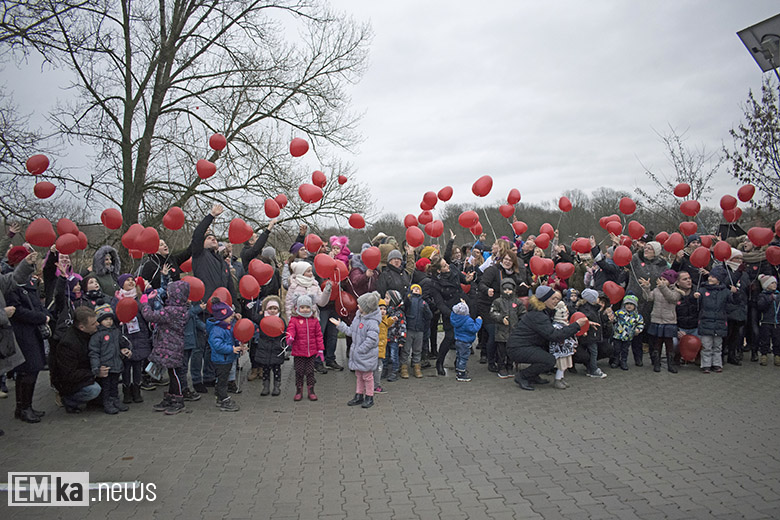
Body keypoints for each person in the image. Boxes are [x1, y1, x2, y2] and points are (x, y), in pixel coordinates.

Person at [507, 286, 587, 391]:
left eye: (557, 299)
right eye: (553, 299)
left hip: (527, 345)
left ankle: (533, 376)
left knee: (546, 356)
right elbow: (554, 335)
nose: (556, 301)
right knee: (549, 360)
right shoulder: (538, 315)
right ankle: (522, 376)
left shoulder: (543, 312)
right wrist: (576, 325)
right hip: (517, 348)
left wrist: (585, 323)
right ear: (545, 300)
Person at [7, 253, 51, 424]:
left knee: (31, 370)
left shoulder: (30, 281)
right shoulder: (12, 284)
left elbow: (37, 304)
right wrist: (40, 318)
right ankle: (23, 408)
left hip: (33, 330)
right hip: (23, 332)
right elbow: (16, 310)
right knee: (28, 370)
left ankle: (25, 406)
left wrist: (44, 314)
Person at [140, 280, 191, 414]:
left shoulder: (171, 311)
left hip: (170, 347)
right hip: (172, 345)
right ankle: (170, 396)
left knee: (174, 374)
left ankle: (178, 400)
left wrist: (145, 303)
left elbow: (149, 316)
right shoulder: (182, 308)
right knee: (171, 372)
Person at [331, 291, 381, 409]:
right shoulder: (358, 317)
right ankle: (359, 395)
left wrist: (361, 349)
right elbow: (351, 331)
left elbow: (372, 340)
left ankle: (369, 396)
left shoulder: (372, 323)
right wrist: (340, 325)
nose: (358, 306)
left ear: (367, 308)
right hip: (358, 354)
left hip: (366, 355)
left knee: (368, 377)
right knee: (359, 375)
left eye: (360, 305)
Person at [50, 306, 102, 413]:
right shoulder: (68, 344)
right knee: (93, 390)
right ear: (82, 327)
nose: (97, 325)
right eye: (93, 324)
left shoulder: (92, 333)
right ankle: (68, 400)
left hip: (86, 372)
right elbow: (69, 374)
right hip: (70, 382)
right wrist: (95, 373)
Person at [88, 304, 132, 414]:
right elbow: (94, 352)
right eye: (106, 319)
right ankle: (106, 402)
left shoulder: (116, 332)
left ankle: (115, 400)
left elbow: (123, 343)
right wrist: (96, 367)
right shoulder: (97, 335)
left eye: (110, 319)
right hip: (105, 366)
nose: (109, 322)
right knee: (106, 386)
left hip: (116, 364)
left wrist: (126, 349)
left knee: (115, 385)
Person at [695, 266, 737, 374]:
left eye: (713, 277)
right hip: (705, 321)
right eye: (710, 276)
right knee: (706, 345)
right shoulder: (703, 290)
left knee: (718, 345)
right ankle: (706, 364)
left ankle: (717, 363)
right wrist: (696, 297)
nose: (710, 278)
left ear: (719, 279)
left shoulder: (725, 291)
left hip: (720, 322)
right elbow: (696, 304)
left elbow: (734, 302)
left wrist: (735, 293)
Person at [191, 204, 236, 302]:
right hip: (206, 306)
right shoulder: (199, 254)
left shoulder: (223, 262)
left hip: (223, 307)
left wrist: (236, 308)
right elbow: (197, 235)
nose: (213, 239)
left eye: (214, 238)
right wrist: (211, 215)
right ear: (202, 243)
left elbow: (230, 287)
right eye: (208, 238)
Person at [640, 269, 682, 373]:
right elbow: (648, 297)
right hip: (657, 320)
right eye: (661, 279)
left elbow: (671, 298)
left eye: (665, 280)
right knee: (657, 343)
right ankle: (656, 362)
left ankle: (670, 363)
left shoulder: (676, 291)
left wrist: (663, 287)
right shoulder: (656, 290)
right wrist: (646, 287)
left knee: (669, 343)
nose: (662, 282)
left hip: (669, 321)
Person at [208, 298, 244, 411]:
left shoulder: (227, 327)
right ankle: (223, 399)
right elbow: (217, 345)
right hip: (221, 359)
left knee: (223, 378)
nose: (231, 318)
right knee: (223, 380)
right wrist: (231, 349)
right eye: (229, 316)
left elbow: (233, 338)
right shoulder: (217, 330)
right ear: (222, 317)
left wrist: (240, 346)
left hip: (227, 358)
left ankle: (219, 397)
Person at [286, 295, 323, 402]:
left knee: (310, 372)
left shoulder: (314, 320)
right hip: (298, 352)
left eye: (307, 307)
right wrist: (290, 337)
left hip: (312, 352)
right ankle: (299, 390)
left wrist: (320, 349)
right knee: (299, 371)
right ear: (297, 308)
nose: (305, 310)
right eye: (302, 307)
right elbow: (291, 330)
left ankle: (311, 390)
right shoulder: (294, 320)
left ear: (311, 307)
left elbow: (318, 335)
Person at [250, 296, 286, 396]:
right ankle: (265, 387)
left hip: (276, 348)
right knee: (265, 370)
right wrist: (254, 308)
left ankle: (276, 386)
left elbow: (285, 333)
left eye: (275, 308)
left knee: (277, 370)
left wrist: (285, 344)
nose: (272, 311)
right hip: (264, 348)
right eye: (270, 308)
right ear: (266, 309)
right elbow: (254, 317)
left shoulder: (281, 320)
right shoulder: (262, 318)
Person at [489, 278, 526, 379]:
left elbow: (522, 314)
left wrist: (521, 325)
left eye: (509, 289)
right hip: (501, 332)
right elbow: (492, 313)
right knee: (501, 352)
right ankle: (501, 367)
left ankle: (510, 366)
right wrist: (501, 318)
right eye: (505, 289)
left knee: (511, 351)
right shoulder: (497, 301)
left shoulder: (517, 302)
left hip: (514, 332)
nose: (507, 292)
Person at [575, 289, 609, 379]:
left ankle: (590, 367)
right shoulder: (587, 309)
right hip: (590, 335)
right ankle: (593, 369)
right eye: (597, 297)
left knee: (593, 351)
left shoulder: (593, 308)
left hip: (592, 334)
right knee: (593, 352)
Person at [402, 284, 432, 379]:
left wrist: (426, 309)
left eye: (418, 289)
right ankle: (403, 367)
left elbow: (429, 316)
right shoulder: (409, 300)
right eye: (414, 288)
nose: (416, 290)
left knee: (417, 349)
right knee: (406, 349)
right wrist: (407, 296)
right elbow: (404, 306)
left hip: (419, 329)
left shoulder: (423, 302)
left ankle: (416, 366)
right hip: (409, 328)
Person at [610, 295, 645, 371]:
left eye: (631, 304)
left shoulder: (637, 316)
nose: (629, 306)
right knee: (616, 349)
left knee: (625, 350)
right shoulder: (619, 313)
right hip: (618, 335)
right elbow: (613, 320)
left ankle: (624, 361)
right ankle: (616, 361)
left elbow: (640, 324)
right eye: (627, 304)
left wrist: (638, 330)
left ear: (635, 306)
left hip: (628, 337)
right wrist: (611, 319)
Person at [449, 301, 482, 382]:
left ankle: (458, 368)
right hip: (465, 341)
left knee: (459, 355)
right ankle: (461, 373)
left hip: (458, 340)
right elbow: (474, 329)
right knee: (463, 357)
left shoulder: (455, 318)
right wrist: (479, 320)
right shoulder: (468, 321)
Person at [548, 299, 577, 388]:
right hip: (560, 351)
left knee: (564, 366)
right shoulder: (556, 326)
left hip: (565, 350)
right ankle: (557, 380)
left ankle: (561, 378)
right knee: (561, 366)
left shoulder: (565, 325)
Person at [383, 289, 406, 382]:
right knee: (384, 355)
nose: (384, 299)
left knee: (394, 356)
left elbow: (402, 326)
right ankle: (384, 370)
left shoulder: (399, 313)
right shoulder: (384, 311)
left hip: (394, 339)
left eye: (387, 298)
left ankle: (394, 371)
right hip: (385, 338)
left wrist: (402, 339)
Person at [756, 275, 779, 366]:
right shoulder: (762, 295)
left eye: (775, 283)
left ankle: (777, 356)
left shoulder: (778, 295)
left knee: (777, 340)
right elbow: (760, 306)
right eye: (772, 283)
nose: (774, 285)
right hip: (765, 321)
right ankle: (764, 355)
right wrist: (770, 299)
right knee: (765, 340)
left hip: (776, 322)